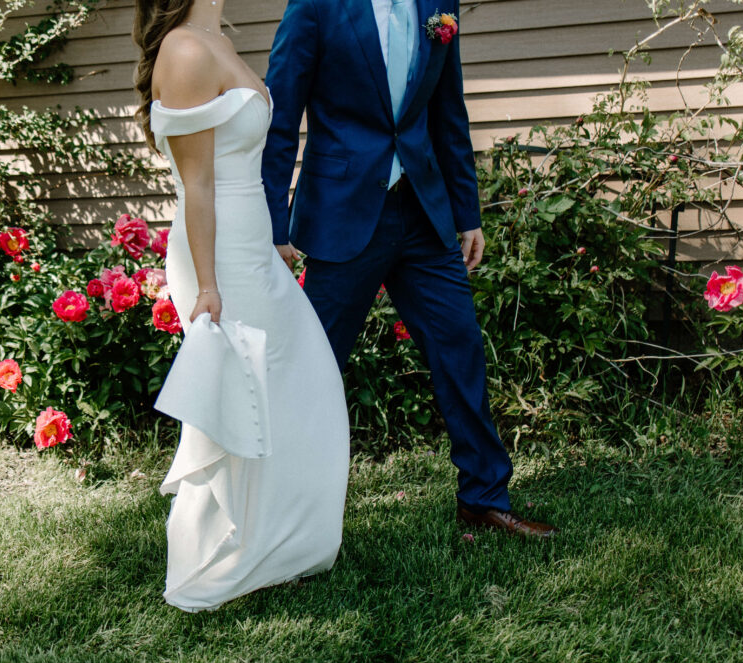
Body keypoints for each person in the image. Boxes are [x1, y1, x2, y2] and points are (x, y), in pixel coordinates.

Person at [261, 0, 558, 538]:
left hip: (424, 212)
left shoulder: (438, 4)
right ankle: (281, 512)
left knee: (460, 349)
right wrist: (273, 224)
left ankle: (484, 499)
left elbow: (449, 109)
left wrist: (467, 213)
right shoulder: (315, 6)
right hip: (342, 213)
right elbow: (281, 116)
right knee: (311, 366)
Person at [132, 0, 350, 612]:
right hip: (219, 261)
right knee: (240, 398)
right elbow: (197, 185)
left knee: (298, 386)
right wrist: (207, 286)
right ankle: (220, 555)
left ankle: (281, 542)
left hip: (252, 250)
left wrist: (269, 244)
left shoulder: (215, 38)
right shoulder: (186, 49)